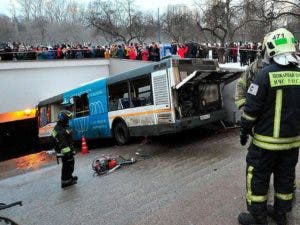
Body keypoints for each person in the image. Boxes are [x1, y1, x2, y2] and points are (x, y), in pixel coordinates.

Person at [238, 28, 300, 225]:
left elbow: (251, 110)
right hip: (292, 144)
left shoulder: (264, 74)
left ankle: (258, 218)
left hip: (265, 145)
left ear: (272, 48)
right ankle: (281, 215)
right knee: (285, 180)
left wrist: (244, 130)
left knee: (257, 180)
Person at [52, 110, 78, 188]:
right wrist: (69, 152)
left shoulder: (63, 127)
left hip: (67, 150)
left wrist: (72, 149)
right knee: (67, 165)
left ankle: (69, 177)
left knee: (70, 164)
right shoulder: (59, 129)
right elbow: (63, 143)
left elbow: (68, 139)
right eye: (67, 119)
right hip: (65, 152)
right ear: (63, 119)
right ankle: (65, 181)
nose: (68, 121)